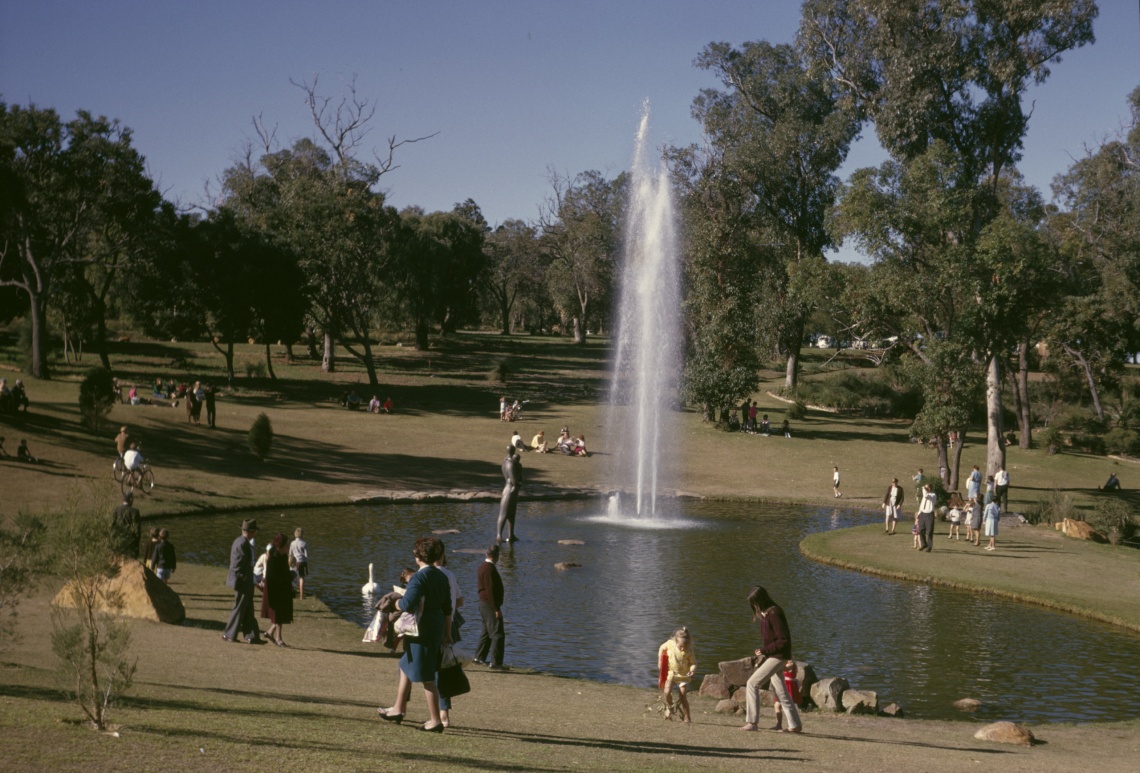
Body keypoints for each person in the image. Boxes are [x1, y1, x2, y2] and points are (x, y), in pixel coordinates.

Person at [377, 536, 452, 732]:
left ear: (419, 556)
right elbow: (447, 608)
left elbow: (408, 604)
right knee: (405, 665)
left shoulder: (420, 577)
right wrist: (448, 632)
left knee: (427, 675)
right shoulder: (441, 576)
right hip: (435, 626)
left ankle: (435, 720)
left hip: (421, 628)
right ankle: (398, 708)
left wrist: (395, 603)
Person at [739, 586, 802, 734]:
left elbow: (783, 640)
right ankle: (795, 725)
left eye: (755, 603)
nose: (754, 607)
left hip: (778, 657)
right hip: (772, 656)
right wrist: (764, 650)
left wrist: (765, 650)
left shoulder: (774, 613)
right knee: (781, 692)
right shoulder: (765, 614)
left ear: (761, 600)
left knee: (752, 683)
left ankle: (752, 722)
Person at [434, 546, 464, 728]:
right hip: (450, 623)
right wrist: (450, 609)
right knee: (443, 669)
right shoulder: (450, 575)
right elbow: (460, 600)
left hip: (435, 625)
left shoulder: (426, 574)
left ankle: (401, 706)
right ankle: (443, 712)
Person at [222, 518, 264, 644]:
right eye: (254, 531)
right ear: (250, 531)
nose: (255, 533)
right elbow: (237, 565)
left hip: (246, 580)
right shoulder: (242, 543)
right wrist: (244, 577)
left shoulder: (243, 542)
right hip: (242, 581)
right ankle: (229, 634)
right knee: (239, 607)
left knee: (248, 608)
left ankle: (252, 636)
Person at [473, 544, 505, 670]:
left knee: (486, 631)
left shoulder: (483, 566)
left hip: (484, 603)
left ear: (486, 554)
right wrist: (496, 608)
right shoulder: (489, 568)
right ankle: (496, 662)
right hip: (488, 604)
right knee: (497, 633)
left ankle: (479, 657)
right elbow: (490, 589)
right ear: (497, 557)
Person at [261, 533, 294, 646]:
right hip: (275, 589)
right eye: (286, 546)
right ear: (280, 547)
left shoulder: (283, 556)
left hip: (282, 588)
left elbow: (283, 571)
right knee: (278, 614)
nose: (288, 548)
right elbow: (272, 576)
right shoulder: (273, 558)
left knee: (281, 614)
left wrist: (289, 575)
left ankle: (270, 633)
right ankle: (278, 638)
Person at [657, 627, 696, 723]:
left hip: (683, 676)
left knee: (682, 695)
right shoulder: (670, 644)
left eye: (685, 646)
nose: (683, 649)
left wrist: (692, 670)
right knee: (666, 692)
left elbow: (693, 663)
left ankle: (687, 717)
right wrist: (660, 661)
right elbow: (661, 648)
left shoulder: (689, 650)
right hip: (672, 674)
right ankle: (671, 707)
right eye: (680, 646)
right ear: (675, 641)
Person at [497, 446, 521, 543]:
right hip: (510, 489)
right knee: (504, 513)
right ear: (513, 451)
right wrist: (518, 483)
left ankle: (511, 535)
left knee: (511, 514)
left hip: (511, 489)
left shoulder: (506, 461)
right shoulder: (509, 463)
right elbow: (513, 479)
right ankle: (499, 535)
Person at [110, 491, 141, 560]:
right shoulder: (134, 511)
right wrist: (137, 541)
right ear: (130, 499)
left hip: (119, 538)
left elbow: (112, 525)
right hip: (130, 539)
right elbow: (137, 527)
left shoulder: (117, 510)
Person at [289, 527, 310, 599]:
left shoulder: (292, 543)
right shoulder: (304, 543)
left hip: (294, 561)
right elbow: (306, 555)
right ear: (302, 535)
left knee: (295, 576)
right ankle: (301, 594)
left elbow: (290, 554)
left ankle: (296, 590)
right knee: (302, 577)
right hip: (302, 562)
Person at [917, 484, 937, 552]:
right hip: (923, 514)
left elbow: (926, 496)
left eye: (926, 487)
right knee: (921, 530)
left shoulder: (933, 495)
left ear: (930, 488)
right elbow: (922, 504)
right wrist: (919, 513)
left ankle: (929, 546)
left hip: (929, 514)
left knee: (929, 531)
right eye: (925, 487)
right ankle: (923, 544)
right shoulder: (925, 495)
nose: (925, 488)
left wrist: (923, 489)